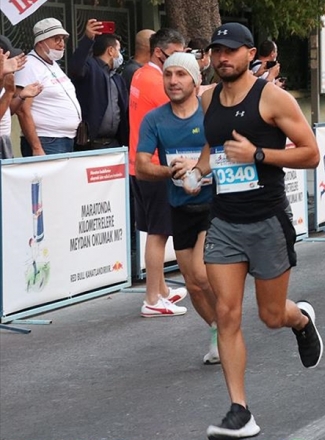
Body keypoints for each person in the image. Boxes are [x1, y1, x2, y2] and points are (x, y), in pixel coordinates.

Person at [180, 23, 323, 439]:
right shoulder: (207, 99)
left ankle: (300, 320)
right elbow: (216, 148)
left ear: (249, 54)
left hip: (267, 220)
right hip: (224, 220)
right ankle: (240, 410)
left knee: (271, 315)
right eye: (216, 51)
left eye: (230, 51)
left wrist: (258, 153)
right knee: (226, 313)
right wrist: (196, 171)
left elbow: (311, 153)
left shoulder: (271, 98)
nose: (222, 58)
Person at [135, 53, 219, 364]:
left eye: (181, 74)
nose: (173, 81)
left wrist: (199, 167)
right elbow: (142, 166)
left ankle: (228, 325)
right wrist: (171, 171)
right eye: (168, 74)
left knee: (200, 271)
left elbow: (229, 156)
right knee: (194, 285)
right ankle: (218, 330)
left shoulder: (211, 115)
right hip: (180, 207)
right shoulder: (154, 119)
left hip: (213, 205)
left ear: (196, 81)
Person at [129, 28, 189, 317]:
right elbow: (181, 108)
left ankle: (162, 290)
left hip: (140, 163)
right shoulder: (155, 80)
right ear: (158, 52)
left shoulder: (141, 74)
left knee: (156, 230)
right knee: (159, 233)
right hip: (154, 165)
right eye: (175, 55)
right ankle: (153, 297)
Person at [14, 18, 81, 156]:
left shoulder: (53, 64)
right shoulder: (29, 66)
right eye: (56, 39)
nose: (61, 44)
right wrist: (37, 147)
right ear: (41, 42)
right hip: (46, 140)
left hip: (64, 139)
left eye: (63, 39)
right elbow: (22, 110)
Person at [69, 19, 128, 150]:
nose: (121, 55)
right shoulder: (90, 67)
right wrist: (88, 39)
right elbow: (76, 68)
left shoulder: (117, 78)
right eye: (119, 50)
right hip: (91, 145)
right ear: (111, 51)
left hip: (115, 144)